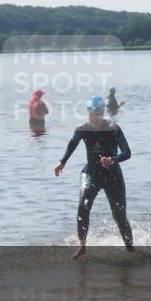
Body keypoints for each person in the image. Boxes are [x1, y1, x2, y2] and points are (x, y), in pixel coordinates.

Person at [53, 96, 134, 259]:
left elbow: (127, 152)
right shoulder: (82, 129)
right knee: (83, 207)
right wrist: (62, 162)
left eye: (97, 113)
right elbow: (72, 144)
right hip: (91, 174)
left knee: (119, 214)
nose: (93, 116)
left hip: (113, 175)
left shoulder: (113, 129)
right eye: (90, 112)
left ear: (102, 112)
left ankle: (130, 247)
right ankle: (82, 247)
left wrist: (112, 160)